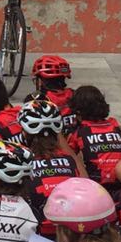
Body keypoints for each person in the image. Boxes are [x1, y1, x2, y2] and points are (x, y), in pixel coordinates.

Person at [19, 100, 82, 235]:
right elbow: (86, 183)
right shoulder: (70, 161)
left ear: (24, 132)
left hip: (36, 234)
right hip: (70, 233)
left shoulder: (21, 163)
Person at [70, 86, 121, 198]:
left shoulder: (80, 132)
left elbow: (68, 154)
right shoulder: (114, 125)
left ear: (78, 111)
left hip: (96, 187)